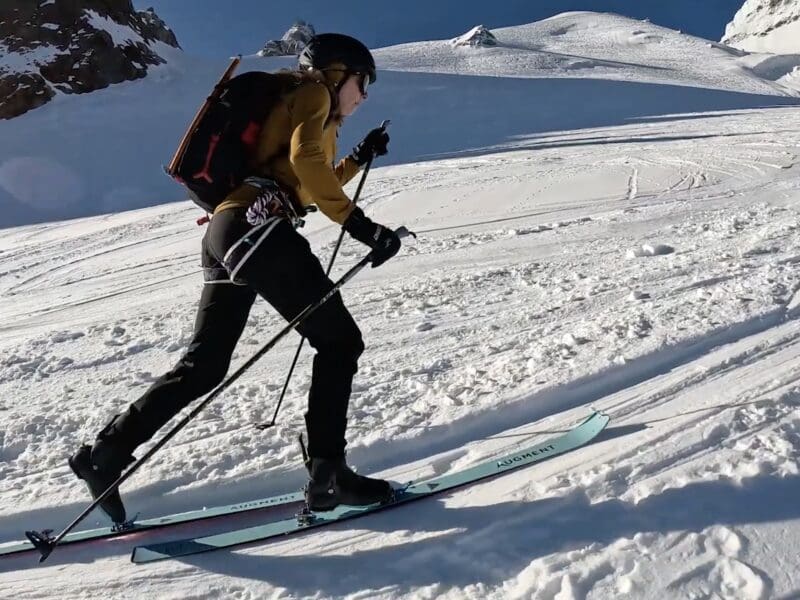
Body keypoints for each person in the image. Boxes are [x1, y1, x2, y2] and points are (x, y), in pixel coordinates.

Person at [69, 33, 403, 523]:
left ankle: (106, 455)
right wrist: (361, 225)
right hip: (258, 226)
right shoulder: (313, 91)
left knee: (204, 367)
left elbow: (304, 185)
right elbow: (309, 166)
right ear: (336, 72)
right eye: (362, 80)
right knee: (339, 342)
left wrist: (355, 158)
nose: (364, 93)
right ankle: (329, 475)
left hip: (229, 230)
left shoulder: (297, 104)